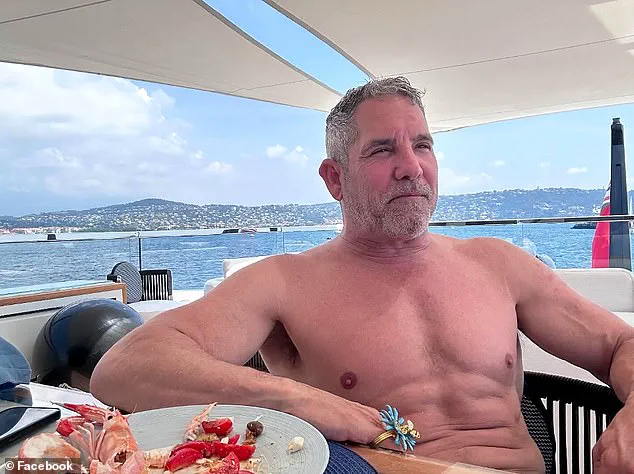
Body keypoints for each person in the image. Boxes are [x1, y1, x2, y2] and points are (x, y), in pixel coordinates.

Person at [90, 77, 634, 473]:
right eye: (382, 150)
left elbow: (618, 343)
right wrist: (296, 401)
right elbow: (126, 366)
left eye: (422, 145)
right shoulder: (285, 282)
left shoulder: (498, 263)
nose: (411, 166)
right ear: (335, 179)